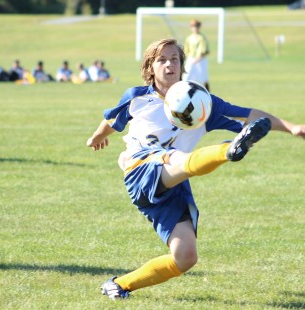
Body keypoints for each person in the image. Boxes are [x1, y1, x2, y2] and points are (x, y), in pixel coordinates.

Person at [86, 38, 305, 300]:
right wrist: (96, 138)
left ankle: (119, 284)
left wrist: (292, 127)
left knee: (185, 257)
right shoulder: (137, 98)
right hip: (141, 169)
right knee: (176, 158)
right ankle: (228, 150)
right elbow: (111, 121)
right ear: (150, 67)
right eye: (162, 60)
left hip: (173, 183)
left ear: (182, 65)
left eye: (175, 59)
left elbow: (250, 114)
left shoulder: (200, 101)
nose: (169, 64)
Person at [183, 19, 210, 91]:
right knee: (186, 76)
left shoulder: (201, 37)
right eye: (193, 26)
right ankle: (186, 91)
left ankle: (208, 94)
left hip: (200, 59)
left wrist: (198, 58)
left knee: (203, 78)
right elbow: (186, 49)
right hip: (191, 59)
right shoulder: (189, 38)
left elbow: (205, 50)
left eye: (196, 26)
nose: (195, 28)